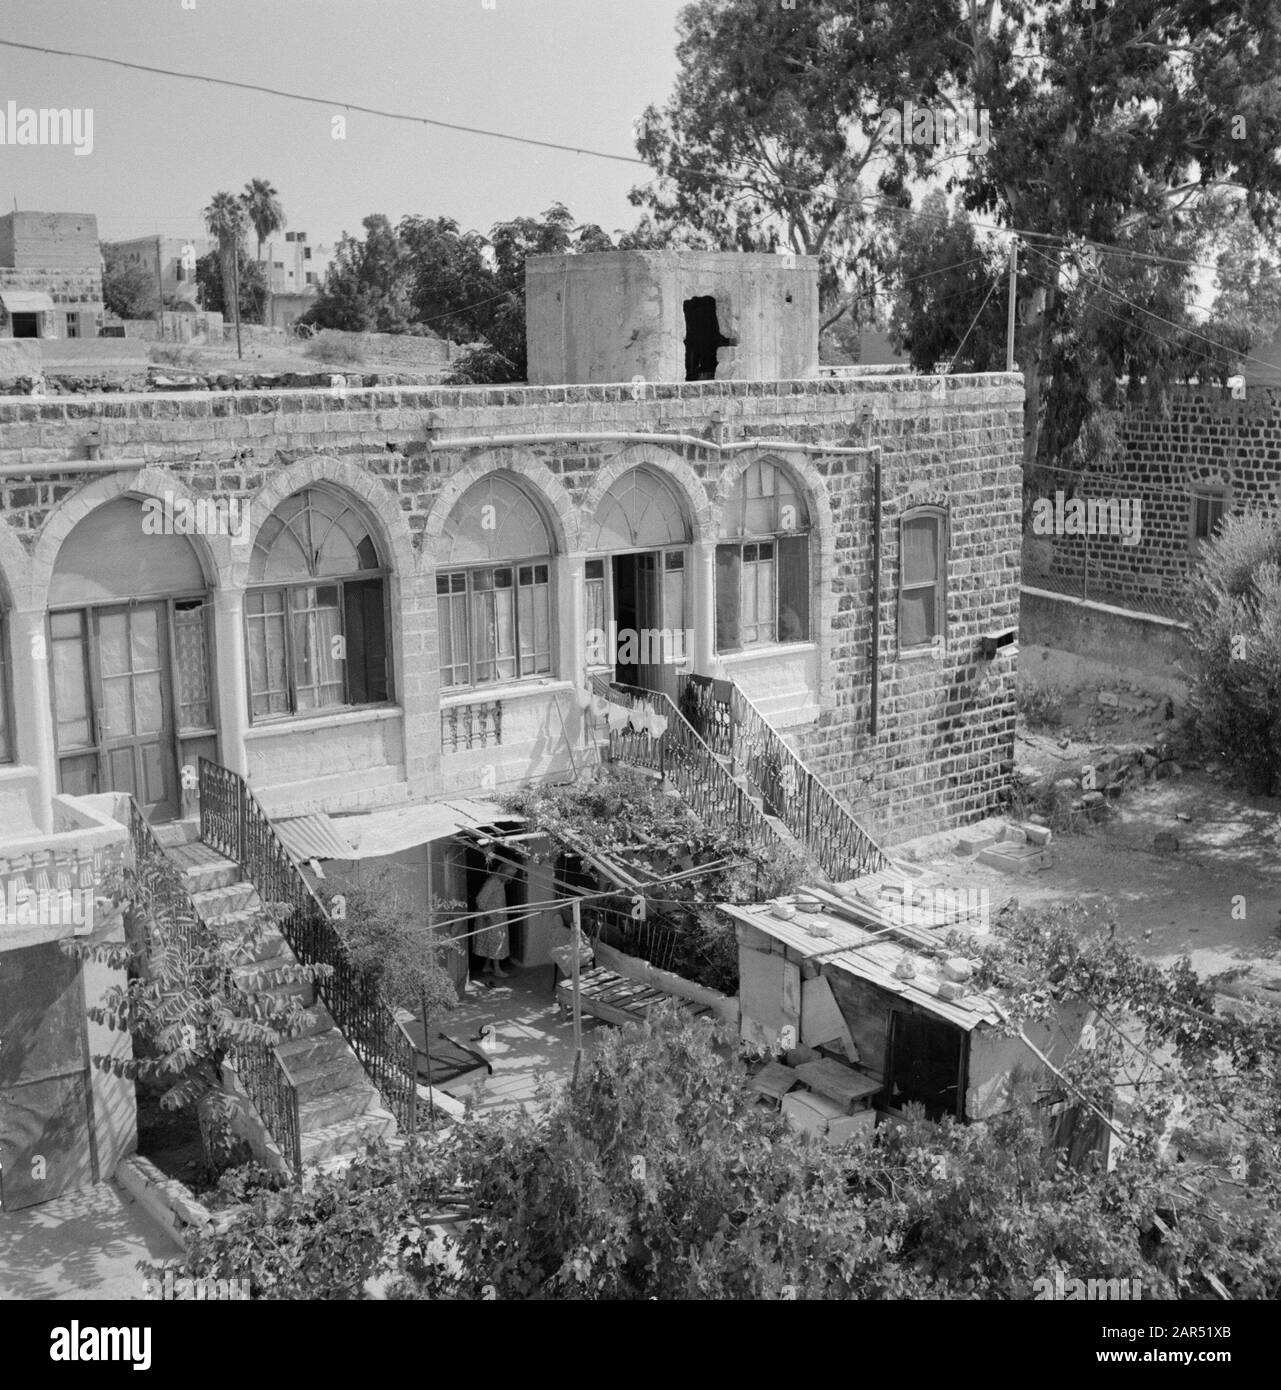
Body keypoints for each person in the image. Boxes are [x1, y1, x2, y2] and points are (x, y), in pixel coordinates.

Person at [473, 859, 516, 980]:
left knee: (493, 942)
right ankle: (497, 969)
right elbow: (480, 899)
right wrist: (487, 915)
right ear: (503, 872)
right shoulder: (492, 882)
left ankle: (487, 966)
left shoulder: (500, 882)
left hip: (498, 917)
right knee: (496, 942)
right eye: (509, 876)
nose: (510, 879)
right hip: (490, 917)